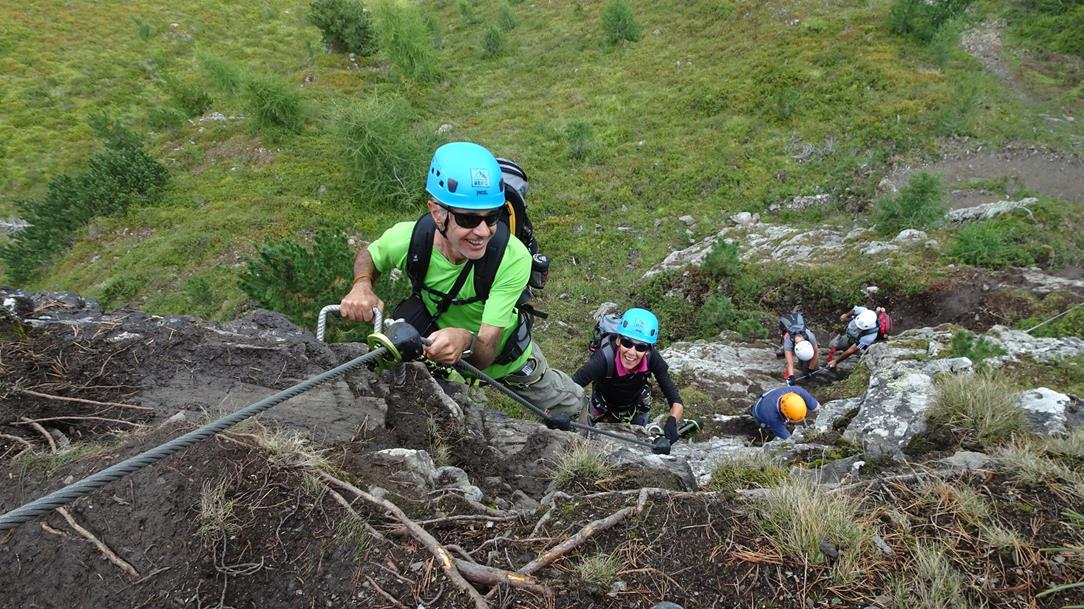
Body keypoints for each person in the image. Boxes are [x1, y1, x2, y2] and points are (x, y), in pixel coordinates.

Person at [339, 141, 584, 423]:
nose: (482, 231)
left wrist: (464, 338)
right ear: (437, 213)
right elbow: (370, 255)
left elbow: (484, 356)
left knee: (569, 406)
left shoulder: (511, 258)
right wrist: (361, 284)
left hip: (504, 357)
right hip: (437, 351)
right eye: (468, 219)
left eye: (492, 216)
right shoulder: (411, 239)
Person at [572, 308, 685, 447]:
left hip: (635, 408)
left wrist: (672, 421)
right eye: (627, 343)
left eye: (640, 347)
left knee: (639, 446)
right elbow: (573, 385)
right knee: (590, 445)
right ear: (618, 340)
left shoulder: (653, 359)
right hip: (601, 407)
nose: (632, 352)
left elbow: (675, 400)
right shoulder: (604, 359)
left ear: (648, 350)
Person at [825, 305, 889, 369]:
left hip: (859, 344)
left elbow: (851, 350)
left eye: (860, 328)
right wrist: (846, 315)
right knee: (831, 345)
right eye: (857, 325)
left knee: (856, 357)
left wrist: (836, 361)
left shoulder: (869, 337)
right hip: (849, 337)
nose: (856, 328)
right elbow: (854, 310)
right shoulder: (863, 311)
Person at [750, 386, 819, 441]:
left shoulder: (798, 391)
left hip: (773, 397)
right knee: (769, 430)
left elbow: (819, 408)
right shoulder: (771, 417)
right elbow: (787, 439)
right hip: (759, 412)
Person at [778, 312, 819, 384]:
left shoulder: (810, 336)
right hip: (792, 343)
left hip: (803, 342)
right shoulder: (788, 343)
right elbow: (790, 363)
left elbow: (816, 353)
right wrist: (791, 376)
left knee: (814, 367)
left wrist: (811, 369)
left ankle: (809, 370)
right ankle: (801, 365)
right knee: (802, 364)